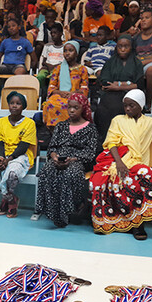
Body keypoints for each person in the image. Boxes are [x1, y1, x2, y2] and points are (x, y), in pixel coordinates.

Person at [89, 90, 152, 239]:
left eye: (132, 106)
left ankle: (139, 224)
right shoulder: (118, 120)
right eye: (125, 106)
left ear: (141, 105)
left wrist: (129, 161)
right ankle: (107, 221)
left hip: (136, 160)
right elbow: (111, 142)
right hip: (116, 160)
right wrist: (119, 163)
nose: (127, 109)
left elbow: (140, 146)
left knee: (146, 175)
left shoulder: (150, 122)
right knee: (103, 181)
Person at [36, 93, 98, 227]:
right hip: (58, 158)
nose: (71, 110)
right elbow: (52, 147)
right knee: (48, 170)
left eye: (76, 107)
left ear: (83, 108)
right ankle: (53, 212)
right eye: (69, 107)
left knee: (70, 174)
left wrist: (72, 159)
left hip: (77, 161)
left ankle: (68, 212)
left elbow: (90, 153)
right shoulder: (60, 126)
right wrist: (55, 157)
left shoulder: (91, 129)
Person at [0, 92, 37, 218]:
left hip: (20, 156)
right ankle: (10, 198)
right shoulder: (0, 122)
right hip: (3, 155)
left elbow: (23, 147)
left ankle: (5, 200)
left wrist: (8, 160)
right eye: (12, 103)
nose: (14, 106)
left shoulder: (29, 123)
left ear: (23, 107)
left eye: (18, 104)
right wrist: (1, 158)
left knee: (13, 174)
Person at [95, 35, 144, 143]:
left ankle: (121, 142)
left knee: (120, 107)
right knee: (103, 110)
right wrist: (128, 83)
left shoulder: (137, 63)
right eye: (120, 46)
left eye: (126, 46)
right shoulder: (110, 62)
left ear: (131, 47)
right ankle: (105, 142)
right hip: (111, 94)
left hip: (131, 95)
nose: (122, 49)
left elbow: (139, 85)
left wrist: (118, 85)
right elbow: (105, 82)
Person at [42, 41, 89, 128]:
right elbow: (51, 86)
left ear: (77, 53)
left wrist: (73, 93)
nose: (67, 53)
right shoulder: (58, 68)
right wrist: (60, 93)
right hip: (59, 95)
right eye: (65, 51)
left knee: (72, 105)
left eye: (70, 50)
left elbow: (84, 88)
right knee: (50, 104)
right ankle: (55, 131)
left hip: (76, 96)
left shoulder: (82, 69)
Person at [37, 23, 65, 100]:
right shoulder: (47, 46)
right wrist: (48, 66)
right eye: (51, 33)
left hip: (58, 68)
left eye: (55, 33)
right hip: (47, 66)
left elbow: (64, 62)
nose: (52, 35)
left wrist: (54, 67)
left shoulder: (65, 47)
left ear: (61, 34)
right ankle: (43, 91)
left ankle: (51, 94)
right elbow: (43, 61)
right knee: (40, 76)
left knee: (53, 76)